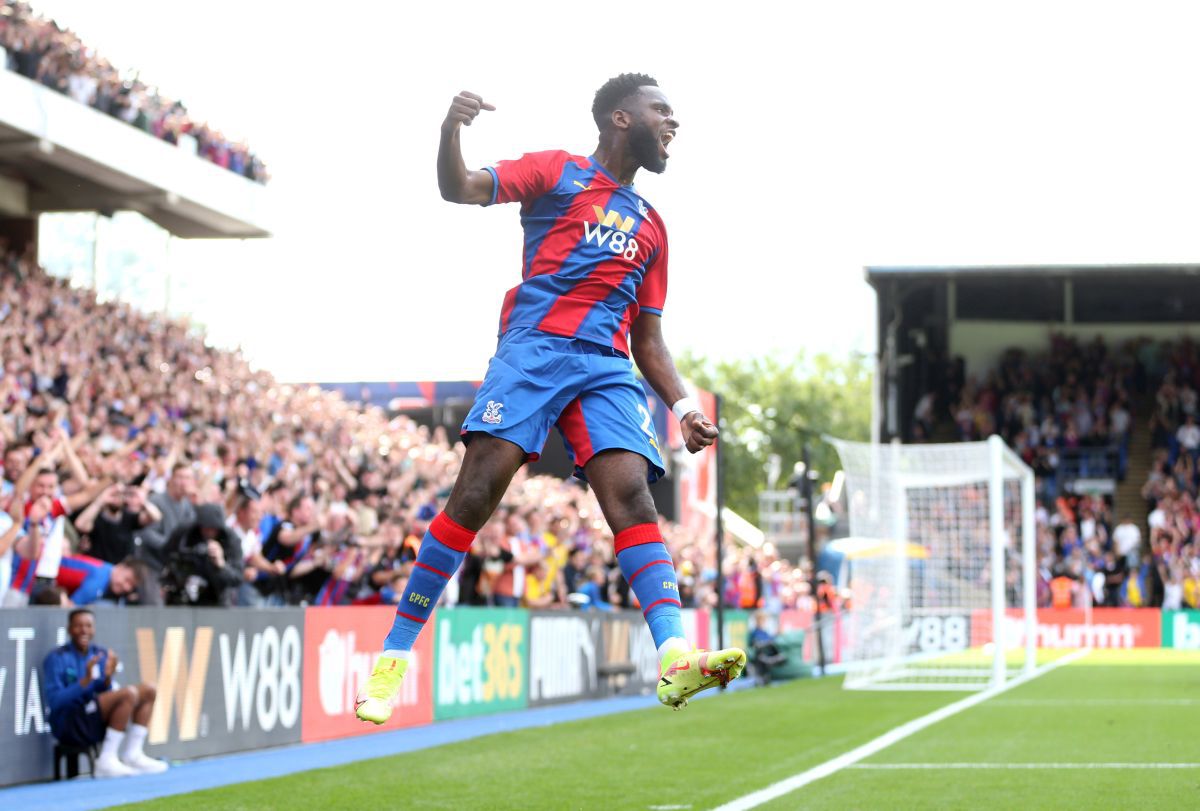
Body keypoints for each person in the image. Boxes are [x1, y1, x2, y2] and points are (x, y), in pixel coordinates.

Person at [357, 74, 745, 725]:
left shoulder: (652, 226)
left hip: (605, 367)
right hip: (534, 351)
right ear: (622, 119)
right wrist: (451, 129)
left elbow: (648, 335)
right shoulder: (557, 171)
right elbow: (460, 187)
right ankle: (394, 657)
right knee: (476, 493)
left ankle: (674, 654)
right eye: (662, 111)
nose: (672, 124)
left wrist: (682, 407)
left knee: (632, 494)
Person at [43, 608, 168, 776]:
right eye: (78, 626)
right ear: (69, 629)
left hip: (95, 717)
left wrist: (108, 678)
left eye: (88, 626)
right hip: (69, 723)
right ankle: (106, 759)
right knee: (128, 693)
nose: (84, 630)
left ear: (94, 629)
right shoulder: (56, 657)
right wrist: (84, 683)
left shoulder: (99, 654)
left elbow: (105, 692)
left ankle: (133, 753)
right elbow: (55, 701)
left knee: (149, 690)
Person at [161, 503, 243, 606]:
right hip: (183, 594)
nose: (209, 532)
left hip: (216, 597)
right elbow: (166, 554)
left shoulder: (231, 540)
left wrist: (221, 564)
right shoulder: (185, 533)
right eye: (205, 528)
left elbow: (237, 578)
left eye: (213, 529)